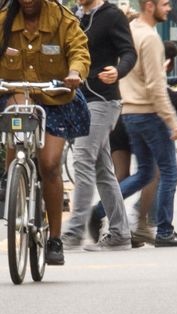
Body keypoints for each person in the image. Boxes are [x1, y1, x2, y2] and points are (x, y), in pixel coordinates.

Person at [0, 0, 90, 266]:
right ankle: (11, 181)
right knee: (16, 129)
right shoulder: (4, 19)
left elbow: (79, 51)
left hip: (55, 100)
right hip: (17, 92)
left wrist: (75, 72)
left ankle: (54, 238)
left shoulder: (63, 19)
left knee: (50, 165)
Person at [114, 0, 177, 246]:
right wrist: (172, 122)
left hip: (129, 111)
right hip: (148, 112)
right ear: (149, 6)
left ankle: (99, 211)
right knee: (169, 172)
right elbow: (156, 86)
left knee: (144, 173)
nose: (169, 8)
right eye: (165, 4)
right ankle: (164, 231)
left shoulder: (131, 31)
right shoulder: (149, 38)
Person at [61, 0, 135, 252]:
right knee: (103, 170)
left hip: (103, 100)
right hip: (79, 99)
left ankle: (72, 233)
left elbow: (129, 52)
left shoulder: (112, 15)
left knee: (82, 160)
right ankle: (120, 234)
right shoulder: (73, 15)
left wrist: (118, 70)